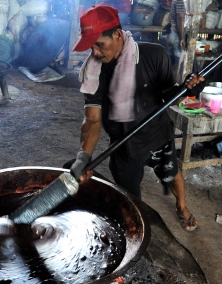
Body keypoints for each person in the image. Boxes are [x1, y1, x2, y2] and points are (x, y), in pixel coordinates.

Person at [70, 4, 204, 231]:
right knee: (130, 199)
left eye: (100, 44)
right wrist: (83, 157)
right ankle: (139, 227)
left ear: (118, 34)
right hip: (124, 144)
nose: (95, 53)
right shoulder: (94, 73)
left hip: (157, 135)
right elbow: (92, 120)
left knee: (172, 174)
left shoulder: (154, 55)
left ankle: (181, 206)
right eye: (90, 46)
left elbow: (171, 98)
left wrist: (188, 90)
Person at [166, 0, 187, 67]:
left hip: (173, 34)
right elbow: (180, 18)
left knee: (171, 65)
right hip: (177, 36)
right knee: (178, 67)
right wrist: (182, 39)